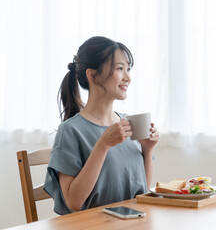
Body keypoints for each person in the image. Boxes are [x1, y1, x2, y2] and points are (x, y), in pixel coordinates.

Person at [44, 36, 159, 215]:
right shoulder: (71, 130)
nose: (127, 77)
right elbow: (74, 201)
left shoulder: (128, 123)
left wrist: (148, 150)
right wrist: (103, 145)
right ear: (93, 75)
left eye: (128, 69)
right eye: (120, 69)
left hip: (130, 223)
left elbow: (141, 192)